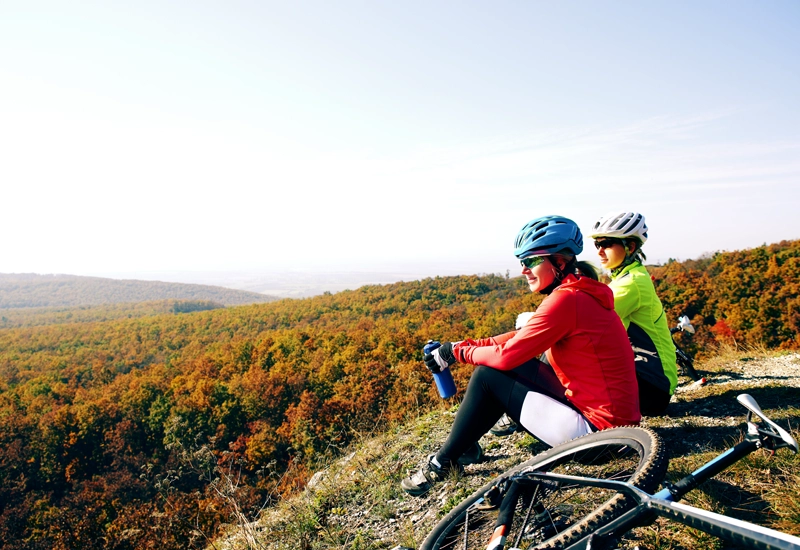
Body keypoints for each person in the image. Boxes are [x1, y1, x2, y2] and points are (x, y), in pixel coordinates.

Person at [401, 215, 641, 496]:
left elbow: (506, 356)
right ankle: (464, 444)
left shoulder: (567, 300)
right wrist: (458, 346)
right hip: (618, 430)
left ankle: (443, 463)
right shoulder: (577, 293)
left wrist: (457, 352)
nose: (524, 270)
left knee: (489, 374)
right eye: (521, 262)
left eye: (530, 261)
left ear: (559, 262)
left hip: (602, 438)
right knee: (522, 363)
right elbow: (518, 338)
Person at [590, 211, 678, 417]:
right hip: (652, 382)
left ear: (629, 247)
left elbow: (584, 321)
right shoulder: (629, 276)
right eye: (597, 245)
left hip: (653, 388)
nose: (600, 251)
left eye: (607, 244)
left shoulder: (631, 284)